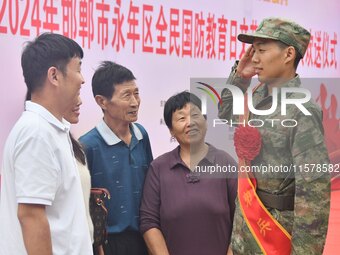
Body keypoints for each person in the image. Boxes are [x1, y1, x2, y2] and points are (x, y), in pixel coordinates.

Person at [218, 17, 330, 255]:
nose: (254, 58)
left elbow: (313, 193)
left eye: (262, 50)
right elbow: (225, 113)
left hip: (276, 232)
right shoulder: (256, 96)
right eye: (253, 50)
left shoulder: (302, 110)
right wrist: (240, 77)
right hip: (245, 229)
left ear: (288, 54)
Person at [0, 33, 92, 255]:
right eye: (78, 68)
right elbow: (31, 216)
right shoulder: (36, 132)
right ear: (54, 75)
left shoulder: (51, 129)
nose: (82, 79)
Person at [140, 91, 237, 255]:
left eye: (195, 115)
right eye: (181, 118)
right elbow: (149, 221)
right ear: (171, 130)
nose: (190, 123)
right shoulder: (159, 168)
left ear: (205, 121)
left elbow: (242, 220)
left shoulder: (226, 163)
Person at [79, 61, 153, 255]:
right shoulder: (87, 146)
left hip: (144, 238)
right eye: (126, 95)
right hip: (108, 244)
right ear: (102, 101)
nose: (135, 102)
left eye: (136, 93)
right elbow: (81, 205)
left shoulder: (141, 135)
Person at [63, 96, 104, 255]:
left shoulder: (75, 145)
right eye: (73, 95)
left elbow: (85, 205)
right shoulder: (37, 138)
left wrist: (97, 245)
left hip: (86, 244)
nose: (80, 101)